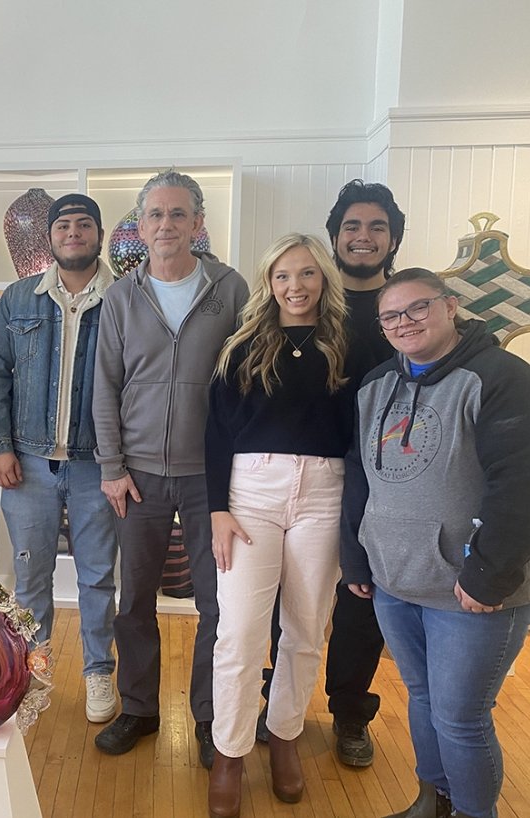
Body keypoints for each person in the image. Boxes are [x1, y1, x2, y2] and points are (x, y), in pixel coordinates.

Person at [341, 268, 530, 818]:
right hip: (395, 582)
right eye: (391, 316)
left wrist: (488, 573)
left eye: (418, 308)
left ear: (450, 306)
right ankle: (433, 803)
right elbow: (360, 477)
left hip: (474, 591)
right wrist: (356, 554)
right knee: (423, 701)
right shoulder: (374, 387)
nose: (404, 322)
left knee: (461, 717)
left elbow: (523, 483)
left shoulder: (505, 379)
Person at [93, 171, 248, 765]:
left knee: (216, 603)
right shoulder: (121, 297)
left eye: (178, 214)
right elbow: (104, 387)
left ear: (196, 223)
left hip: (211, 477)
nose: (166, 225)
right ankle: (139, 708)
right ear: (140, 225)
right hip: (138, 477)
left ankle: (209, 719)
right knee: (135, 600)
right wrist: (111, 465)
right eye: (154, 215)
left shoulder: (230, 291)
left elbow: (247, 384)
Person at [257, 179, 405, 769]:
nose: (363, 237)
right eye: (351, 226)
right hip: (307, 474)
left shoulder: (403, 305)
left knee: (360, 594)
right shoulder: (306, 304)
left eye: (376, 227)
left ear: (392, 239)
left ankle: (348, 712)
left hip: (383, 476)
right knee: (282, 595)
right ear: (334, 237)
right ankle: (277, 704)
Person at [205, 234, 352, 814]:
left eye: (309, 274)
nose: (297, 286)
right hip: (251, 495)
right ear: (269, 282)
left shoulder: (349, 344)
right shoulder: (240, 346)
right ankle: (230, 751)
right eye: (284, 275)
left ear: (324, 281)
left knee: (306, 628)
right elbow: (215, 432)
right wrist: (218, 507)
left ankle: (286, 737)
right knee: (239, 631)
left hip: (324, 494)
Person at [0, 194, 119, 724]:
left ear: (99, 234)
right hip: (29, 465)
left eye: (85, 224)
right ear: (50, 237)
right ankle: (31, 672)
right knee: (30, 576)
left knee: (98, 575)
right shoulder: (17, 299)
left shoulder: (125, 298)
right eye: (64, 225)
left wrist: (120, 463)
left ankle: (98, 672)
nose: (74, 233)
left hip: (97, 465)